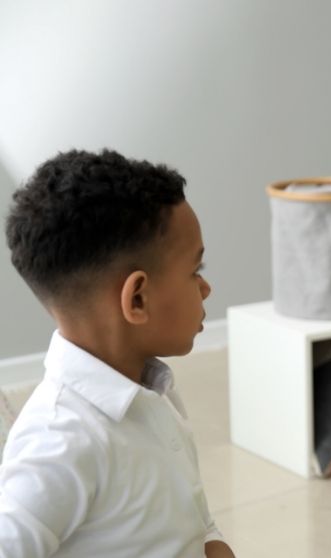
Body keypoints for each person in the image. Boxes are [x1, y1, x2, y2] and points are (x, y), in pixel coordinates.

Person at [1, 149, 235, 558]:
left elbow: (187, 518)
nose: (205, 288)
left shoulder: (151, 389)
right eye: (195, 271)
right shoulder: (59, 441)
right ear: (137, 299)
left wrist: (212, 543)